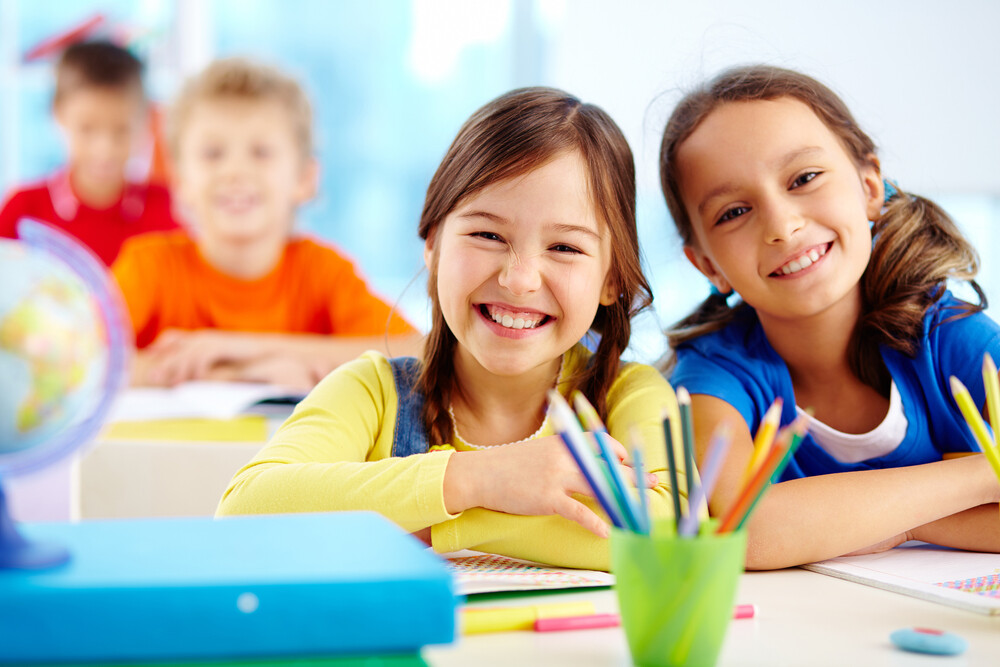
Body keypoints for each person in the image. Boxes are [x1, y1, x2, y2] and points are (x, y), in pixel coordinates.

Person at [217, 87, 685, 571]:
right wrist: (479, 478)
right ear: (434, 245)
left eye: (564, 248)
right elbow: (243, 511)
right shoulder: (375, 393)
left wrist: (441, 524)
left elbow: (669, 531)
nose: (518, 279)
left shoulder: (629, 394)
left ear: (611, 278)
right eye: (487, 235)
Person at [660, 64, 1000, 570]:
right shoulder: (713, 374)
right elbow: (741, 530)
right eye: (733, 212)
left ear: (869, 187)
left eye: (804, 178)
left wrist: (851, 520)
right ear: (709, 265)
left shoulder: (954, 342)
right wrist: (976, 481)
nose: (782, 225)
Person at [111, 58, 421, 390]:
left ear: (305, 178)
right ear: (181, 180)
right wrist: (237, 374)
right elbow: (82, 359)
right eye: (213, 153)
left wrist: (245, 348)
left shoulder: (323, 273)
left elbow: (423, 354)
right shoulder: (148, 266)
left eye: (261, 152)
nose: (235, 171)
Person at [0, 40, 179, 266]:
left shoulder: (168, 210)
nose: (104, 149)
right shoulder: (23, 211)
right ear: (58, 113)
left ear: (146, 119)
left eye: (121, 130)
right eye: (87, 128)